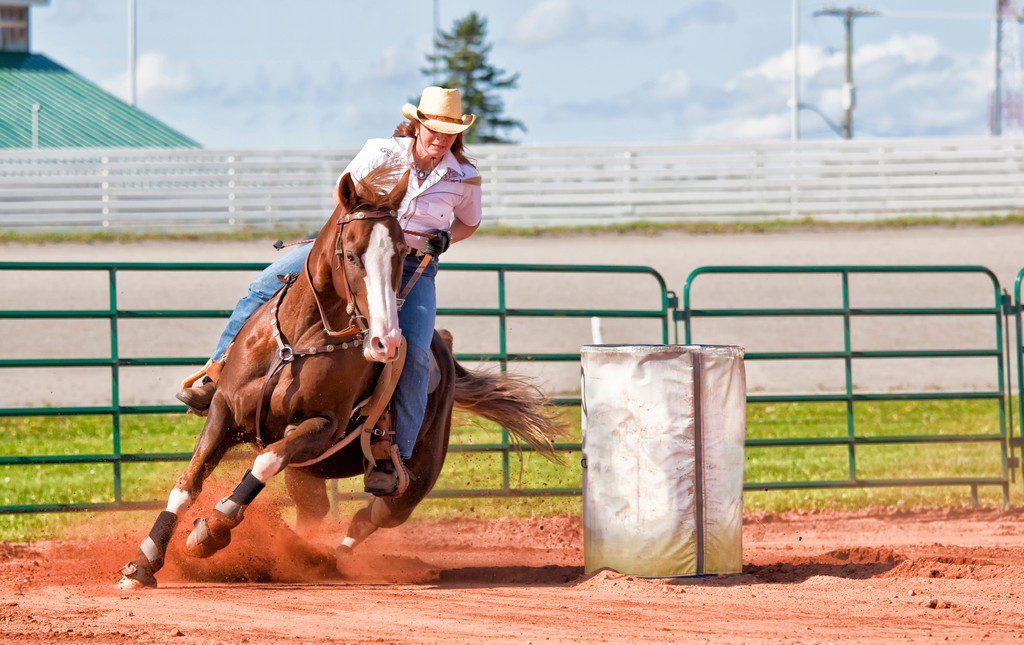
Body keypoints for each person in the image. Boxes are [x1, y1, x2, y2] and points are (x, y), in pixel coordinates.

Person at [176, 86, 482, 492]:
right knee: (262, 285)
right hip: (352, 249)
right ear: (418, 125)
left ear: (456, 136)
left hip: (410, 266)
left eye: (448, 133)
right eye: (434, 130)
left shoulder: (464, 176)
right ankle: (217, 371)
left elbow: (469, 222)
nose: (439, 140)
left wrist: (443, 239)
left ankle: (395, 453)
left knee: (415, 351)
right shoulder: (382, 151)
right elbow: (346, 199)